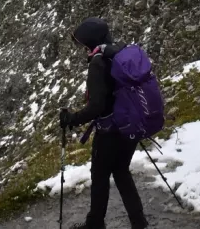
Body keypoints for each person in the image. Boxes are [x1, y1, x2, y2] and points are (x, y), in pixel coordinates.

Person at [59, 18, 148, 229]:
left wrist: (72, 119)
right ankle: (139, 222)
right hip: (129, 126)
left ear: (90, 41)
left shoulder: (98, 63)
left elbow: (96, 107)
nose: (81, 48)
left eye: (82, 43)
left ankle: (95, 224)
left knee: (99, 177)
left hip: (109, 131)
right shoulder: (119, 53)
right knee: (121, 171)